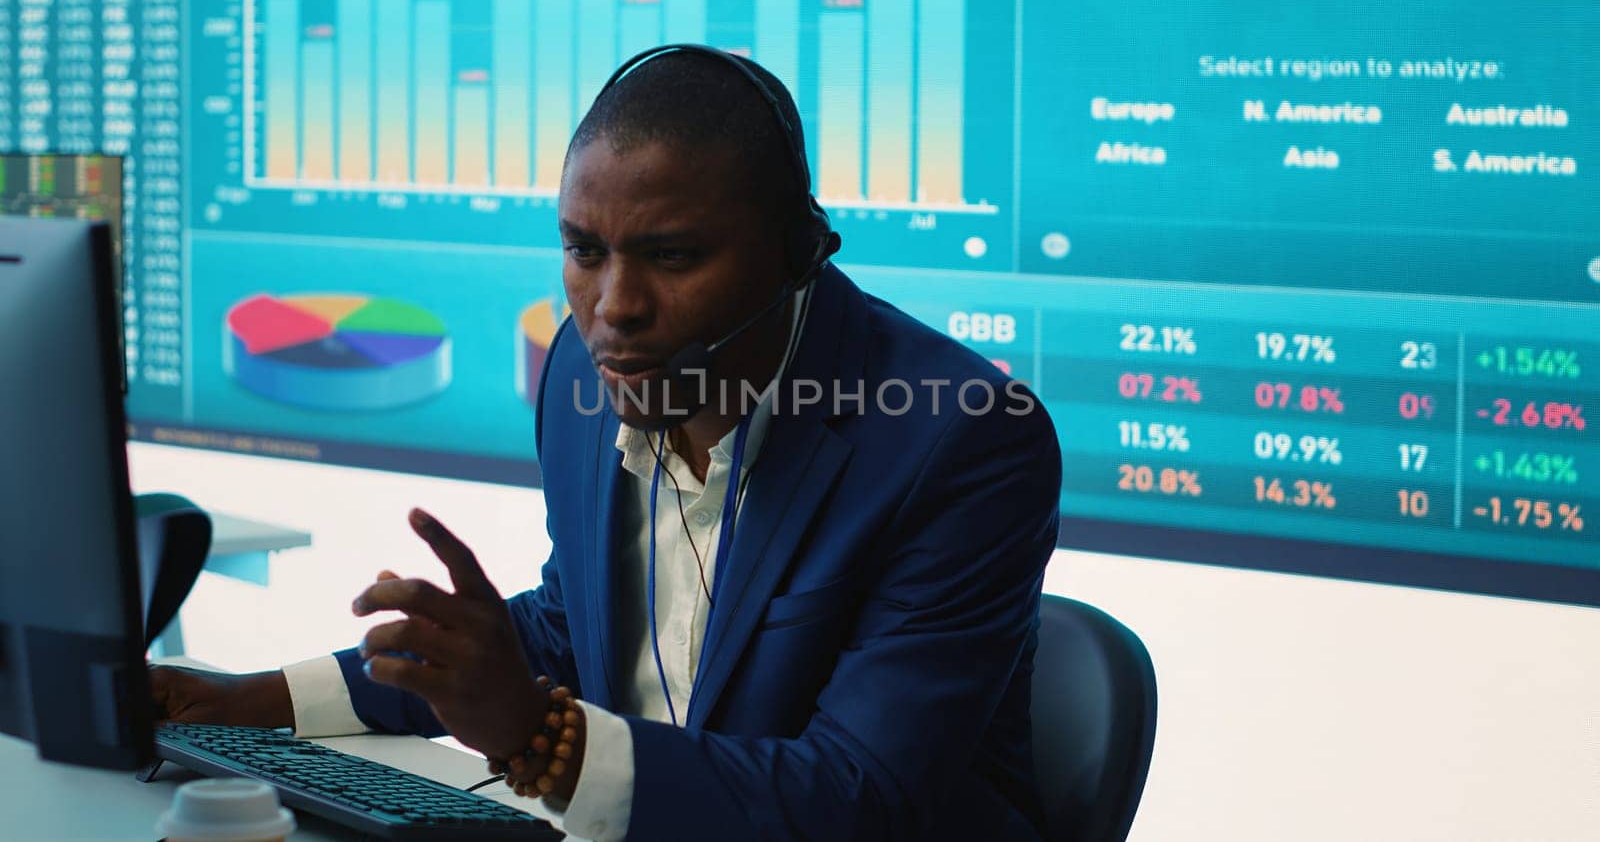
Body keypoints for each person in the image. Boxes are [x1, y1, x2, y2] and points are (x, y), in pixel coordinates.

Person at [152, 48, 1063, 841]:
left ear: (797, 255)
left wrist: (541, 741)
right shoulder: (584, 382)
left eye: (670, 257)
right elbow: (573, 625)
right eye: (586, 252)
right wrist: (254, 700)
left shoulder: (962, 440)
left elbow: (859, 800)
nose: (614, 309)